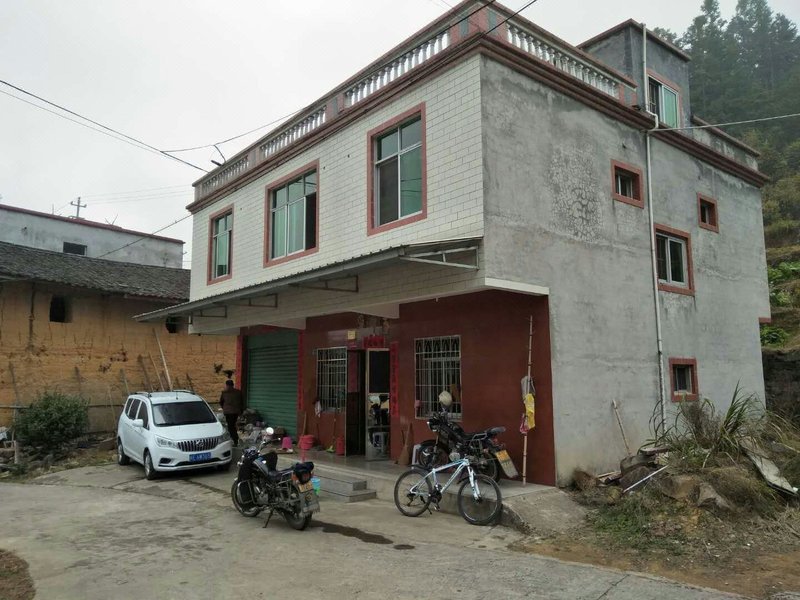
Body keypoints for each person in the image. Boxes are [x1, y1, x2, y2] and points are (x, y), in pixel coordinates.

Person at [219, 379, 243, 446]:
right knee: (232, 425)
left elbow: (221, 402)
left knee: (231, 427)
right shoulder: (238, 392)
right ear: (233, 385)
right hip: (236, 412)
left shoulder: (224, 393)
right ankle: (235, 439)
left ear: (226, 385)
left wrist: (224, 408)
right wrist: (241, 411)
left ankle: (235, 440)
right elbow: (241, 402)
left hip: (228, 412)